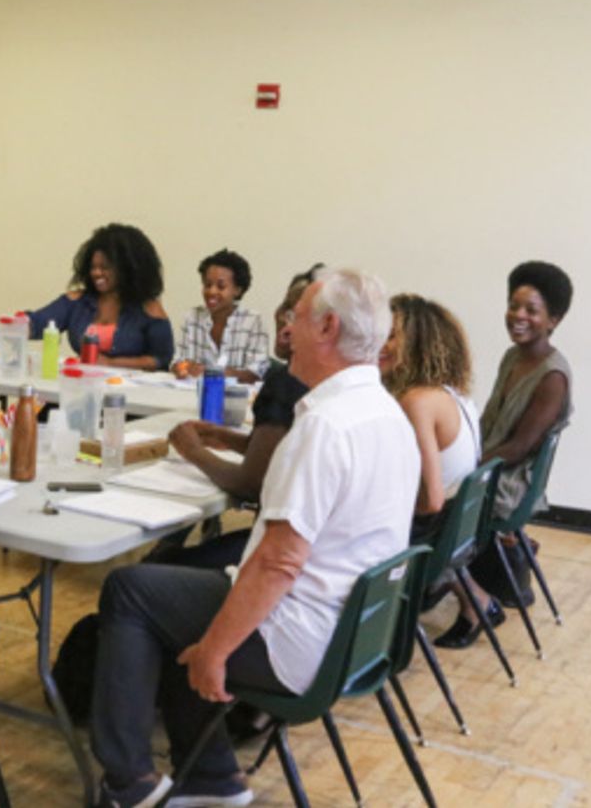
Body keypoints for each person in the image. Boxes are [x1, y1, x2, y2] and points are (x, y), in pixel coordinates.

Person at [90, 268, 418, 808]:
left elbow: (279, 563)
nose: (285, 330)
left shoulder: (325, 426)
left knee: (130, 591)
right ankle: (211, 777)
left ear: (328, 327)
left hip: (300, 637)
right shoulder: (387, 413)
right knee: (177, 598)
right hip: (356, 634)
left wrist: (215, 651)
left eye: (296, 317)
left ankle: (129, 786)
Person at [160, 269, 318, 570]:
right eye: (286, 310)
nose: (285, 326)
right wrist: (229, 438)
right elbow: (282, 452)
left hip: (274, 555)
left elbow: (249, 484)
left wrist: (194, 451)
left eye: (297, 317)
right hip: (309, 552)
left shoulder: (285, 384)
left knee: (149, 570)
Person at [377, 293, 490, 648]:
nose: (380, 343)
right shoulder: (452, 394)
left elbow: (430, 501)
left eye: (391, 335)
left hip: (427, 537)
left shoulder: (417, 402)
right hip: (453, 535)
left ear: (417, 344)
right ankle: (478, 602)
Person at [472, 261, 574, 607]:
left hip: (510, 481)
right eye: (513, 305)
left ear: (553, 320)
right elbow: (489, 423)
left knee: (431, 500)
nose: (518, 315)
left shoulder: (552, 377)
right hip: (492, 464)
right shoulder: (512, 357)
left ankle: (466, 596)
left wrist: (465, 468)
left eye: (532, 310)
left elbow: (519, 447)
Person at [29, 223, 173, 370]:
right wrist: (18, 327)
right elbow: (37, 323)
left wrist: (111, 364)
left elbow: (161, 359)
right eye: (93, 267)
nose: (96, 273)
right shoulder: (77, 301)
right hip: (83, 383)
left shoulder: (149, 307)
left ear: (128, 269)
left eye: (105, 268)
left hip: (131, 389)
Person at [171, 249, 270, 382]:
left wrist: (214, 373)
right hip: (193, 395)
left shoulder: (254, 321)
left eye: (221, 286)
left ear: (237, 290)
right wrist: (184, 368)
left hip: (237, 398)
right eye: (207, 285)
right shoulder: (191, 318)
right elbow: (176, 363)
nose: (212, 291)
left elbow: (257, 372)